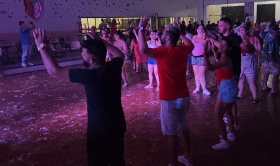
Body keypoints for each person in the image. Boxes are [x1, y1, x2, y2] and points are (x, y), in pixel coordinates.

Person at [32, 28, 126, 166]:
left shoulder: (89, 76)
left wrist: (41, 47)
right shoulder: (113, 67)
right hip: (117, 124)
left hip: (99, 131)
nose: (81, 55)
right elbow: (119, 54)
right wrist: (99, 41)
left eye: (83, 54)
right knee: (117, 160)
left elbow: (53, 70)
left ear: (91, 59)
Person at [137, 16, 194, 166]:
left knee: (171, 133)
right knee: (183, 127)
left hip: (170, 98)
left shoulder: (163, 52)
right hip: (184, 96)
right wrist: (180, 32)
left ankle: (173, 163)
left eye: (163, 34)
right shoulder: (182, 49)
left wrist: (141, 29)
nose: (161, 35)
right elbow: (191, 45)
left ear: (168, 37)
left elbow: (143, 50)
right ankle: (188, 157)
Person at [209, 17, 242, 130]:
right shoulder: (223, 37)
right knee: (227, 98)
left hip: (232, 73)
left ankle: (234, 123)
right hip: (223, 71)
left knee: (231, 100)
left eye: (221, 25)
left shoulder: (235, 38)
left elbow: (242, 47)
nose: (219, 27)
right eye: (219, 25)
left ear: (228, 26)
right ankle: (231, 121)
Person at [204, 39, 238, 150]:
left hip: (227, 88)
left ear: (228, 48)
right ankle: (231, 134)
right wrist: (213, 50)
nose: (221, 46)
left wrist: (204, 53)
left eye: (224, 45)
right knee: (228, 112)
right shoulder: (223, 59)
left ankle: (224, 141)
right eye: (221, 44)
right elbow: (217, 60)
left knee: (218, 115)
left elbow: (209, 67)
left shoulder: (226, 60)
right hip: (228, 87)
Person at [237, 26, 261, 103]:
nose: (242, 31)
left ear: (246, 31)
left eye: (243, 30)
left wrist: (257, 41)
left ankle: (254, 97)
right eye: (240, 30)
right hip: (240, 60)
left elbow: (258, 49)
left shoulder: (251, 39)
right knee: (241, 79)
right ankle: (239, 94)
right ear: (239, 32)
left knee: (250, 80)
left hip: (249, 60)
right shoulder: (237, 40)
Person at [261, 24, 280, 94]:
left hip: (266, 58)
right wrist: (273, 62)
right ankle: (273, 89)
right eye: (277, 31)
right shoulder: (272, 40)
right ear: (274, 32)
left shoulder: (267, 34)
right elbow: (270, 53)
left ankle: (264, 86)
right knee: (276, 73)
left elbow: (261, 35)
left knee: (266, 72)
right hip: (273, 58)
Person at [191, 25, 211, 95]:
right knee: (196, 74)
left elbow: (209, 48)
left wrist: (205, 51)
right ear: (197, 30)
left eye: (201, 28)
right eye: (198, 28)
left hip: (202, 57)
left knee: (201, 74)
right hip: (194, 57)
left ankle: (204, 89)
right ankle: (197, 88)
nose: (199, 29)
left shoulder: (205, 38)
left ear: (203, 30)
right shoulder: (194, 37)